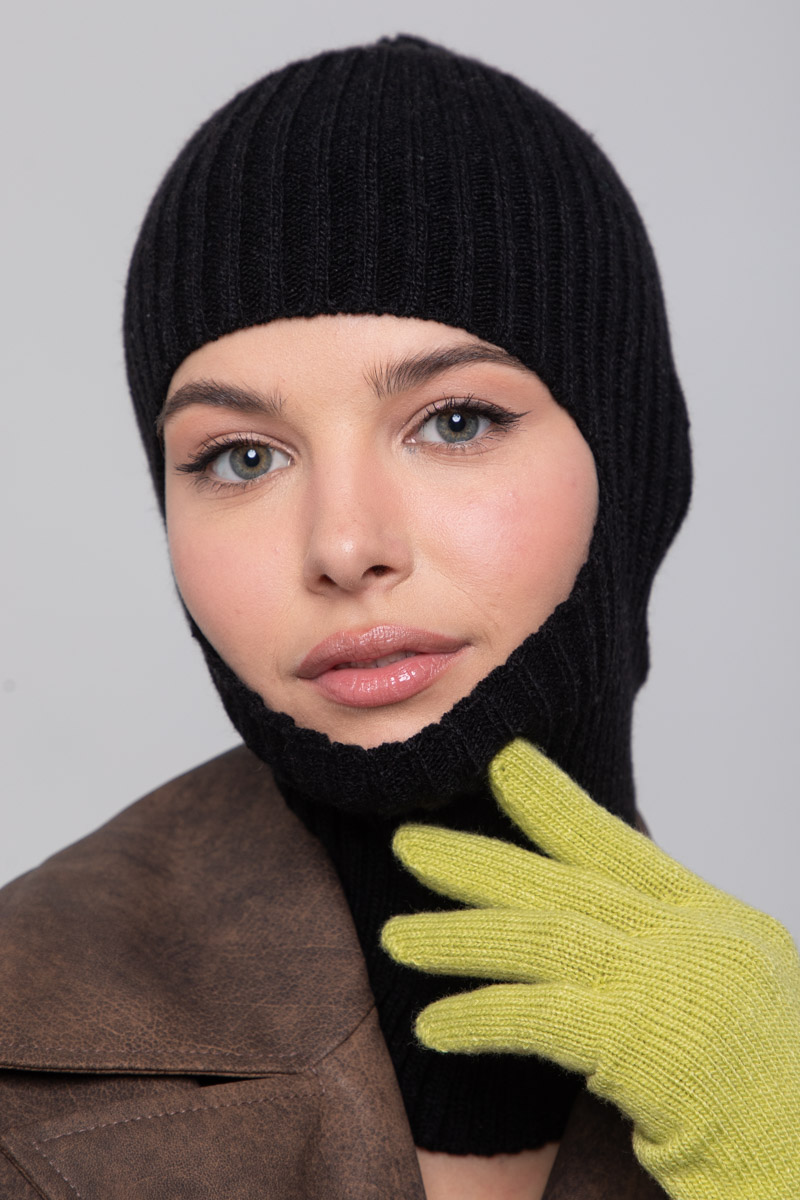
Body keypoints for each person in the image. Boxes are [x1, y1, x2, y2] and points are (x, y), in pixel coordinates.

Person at [0, 35, 797, 1200]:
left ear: (633, 463)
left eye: (454, 422)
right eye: (240, 456)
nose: (342, 545)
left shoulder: (758, 1060)